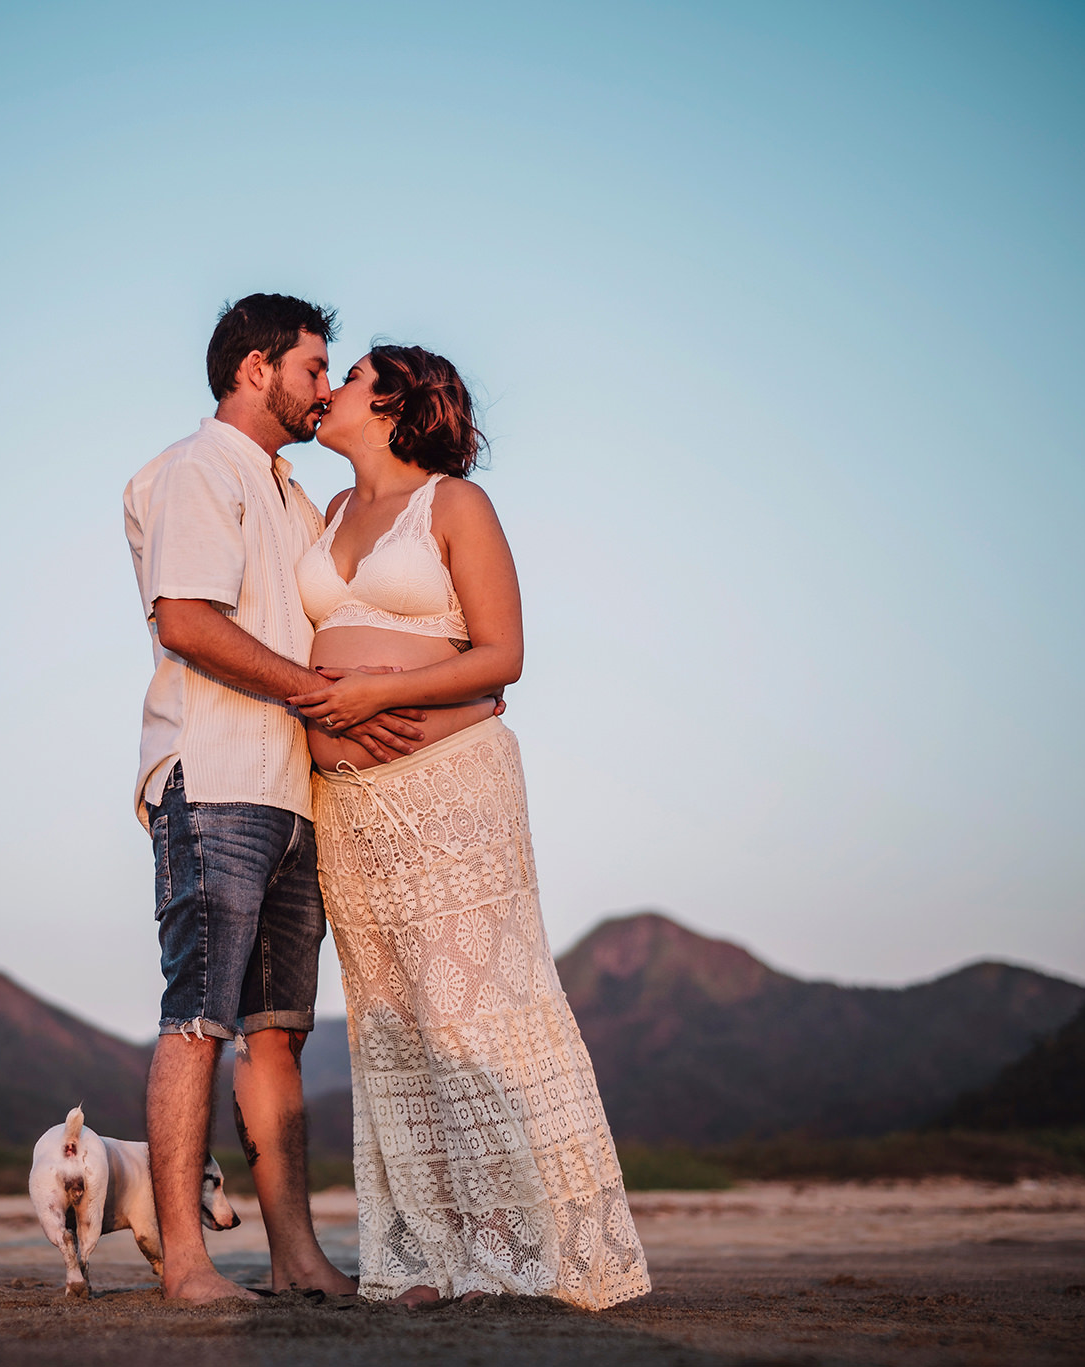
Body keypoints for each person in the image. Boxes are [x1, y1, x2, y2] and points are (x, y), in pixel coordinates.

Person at [286, 345, 652, 1309]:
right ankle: (428, 1259)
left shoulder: (455, 505)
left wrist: (388, 689)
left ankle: (522, 1252)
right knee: (394, 1026)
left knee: (471, 1013)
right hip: (352, 811)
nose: (329, 392)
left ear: (397, 400)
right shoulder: (324, 514)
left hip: (450, 790)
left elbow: (504, 655)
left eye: (350, 376)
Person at [122, 294, 423, 1302]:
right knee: (197, 1017)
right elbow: (185, 622)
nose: (323, 388)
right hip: (214, 778)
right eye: (311, 367)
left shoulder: (292, 496)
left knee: (277, 1029)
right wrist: (314, 694)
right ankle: (190, 1262)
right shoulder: (198, 469)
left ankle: (296, 1259)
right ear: (255, 368)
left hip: (293, 793)